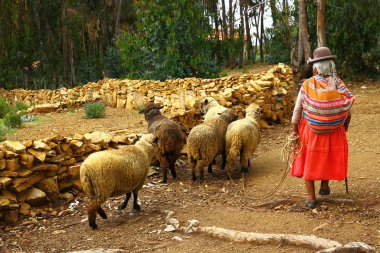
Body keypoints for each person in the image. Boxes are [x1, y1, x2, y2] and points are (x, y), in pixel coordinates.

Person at [291, 47, 355, 209]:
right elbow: (348, 108)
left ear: (315, 67)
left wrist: (294, 129)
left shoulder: (307, 84)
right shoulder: (338, 83)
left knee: (309, 160)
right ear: (331, 66)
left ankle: (311, 198)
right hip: (335, 130)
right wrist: (345, 126)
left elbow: (298, 109)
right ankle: (324, 186)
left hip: (311, 130)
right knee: (327, 158)